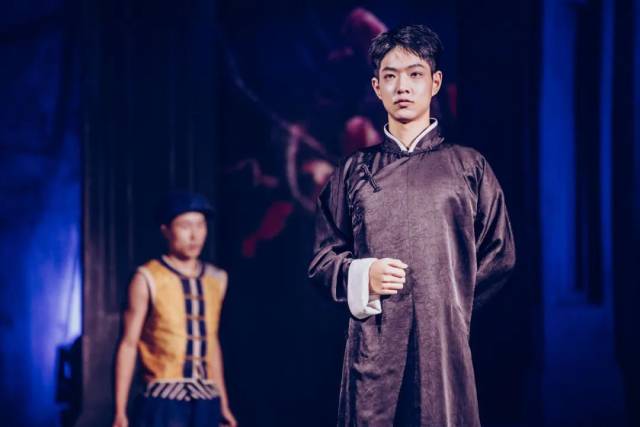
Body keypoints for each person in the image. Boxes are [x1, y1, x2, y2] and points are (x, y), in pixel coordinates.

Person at [308, 24, 516, 426]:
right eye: (391, 76)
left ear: (435, 82)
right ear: (376, 87)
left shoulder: (468, 167)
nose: (402, 86)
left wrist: (448, 303)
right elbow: (322, 260)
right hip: (373, 349)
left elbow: (500, 254)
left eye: (415, 74)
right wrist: (363, 275)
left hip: (443, 351)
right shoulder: (354, 171)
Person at [112, 191, 237, 427]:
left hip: (206, 399)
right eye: (185, 226)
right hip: (163, 400)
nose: (194, 235)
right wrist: (120, 410)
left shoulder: (216, 279)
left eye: (200, 225)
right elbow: (128, 343)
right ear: (166, 231)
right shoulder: (147, 277)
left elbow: (211, 343)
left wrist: (223, 404)